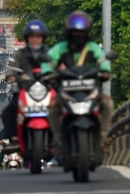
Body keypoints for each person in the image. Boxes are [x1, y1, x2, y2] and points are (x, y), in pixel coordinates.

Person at [42, 11, 113, 151]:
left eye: (81, 33)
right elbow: (48, 62)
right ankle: (60, 141)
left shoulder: (93, 48)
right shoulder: (60, 48)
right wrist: (48, 73)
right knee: (52, 107)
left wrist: (105, 72)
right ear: (69, 33)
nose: (78, 36)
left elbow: (103, 61)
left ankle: (102, 139)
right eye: (75, 33)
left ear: (87, 33)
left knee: (107, 103)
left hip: (89, 90)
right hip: (66, 92)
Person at [1, 20, 49, 141]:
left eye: (38, 36)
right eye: (32, 36)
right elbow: (11, 69)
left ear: (43, 38)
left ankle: (61, 140)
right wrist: (11, 76)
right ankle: (14, 138)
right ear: (27, 38)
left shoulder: (50, 54)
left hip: (47, 91)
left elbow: (59, 67)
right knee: (8, 112)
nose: (35, 39)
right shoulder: (20, 55)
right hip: (24, 91)